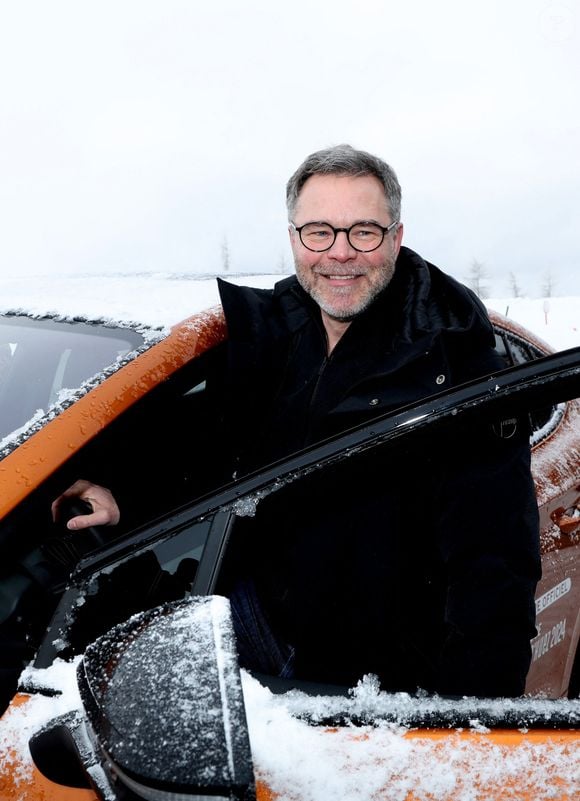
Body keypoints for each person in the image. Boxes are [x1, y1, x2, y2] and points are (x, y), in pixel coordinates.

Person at [52, 144, 541, 698]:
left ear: (396, 238)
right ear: (293, 239)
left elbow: (494, 569)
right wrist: (123, 489)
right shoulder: (283, 333)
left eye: (363, 231)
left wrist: (461, 732)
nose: (340, 254)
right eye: (319, 232)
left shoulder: (451, 367)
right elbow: (210, 432)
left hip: (367, 684)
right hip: (263, 620)